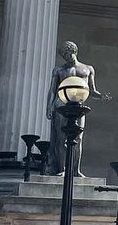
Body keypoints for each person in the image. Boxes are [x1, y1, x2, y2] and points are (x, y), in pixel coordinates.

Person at [44, 41, 110, 176]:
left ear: (75, 51)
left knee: (78, 138)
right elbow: (52, 90)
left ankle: (75, 170)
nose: (67, 56)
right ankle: (63, 169)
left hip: (79, 106)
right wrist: (49, 107)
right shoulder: (59, 70)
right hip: (61, 104)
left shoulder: (88, 69)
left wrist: (101, 96)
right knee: (62, 138)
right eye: (64, 54)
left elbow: (91, 91)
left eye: (68, 53)